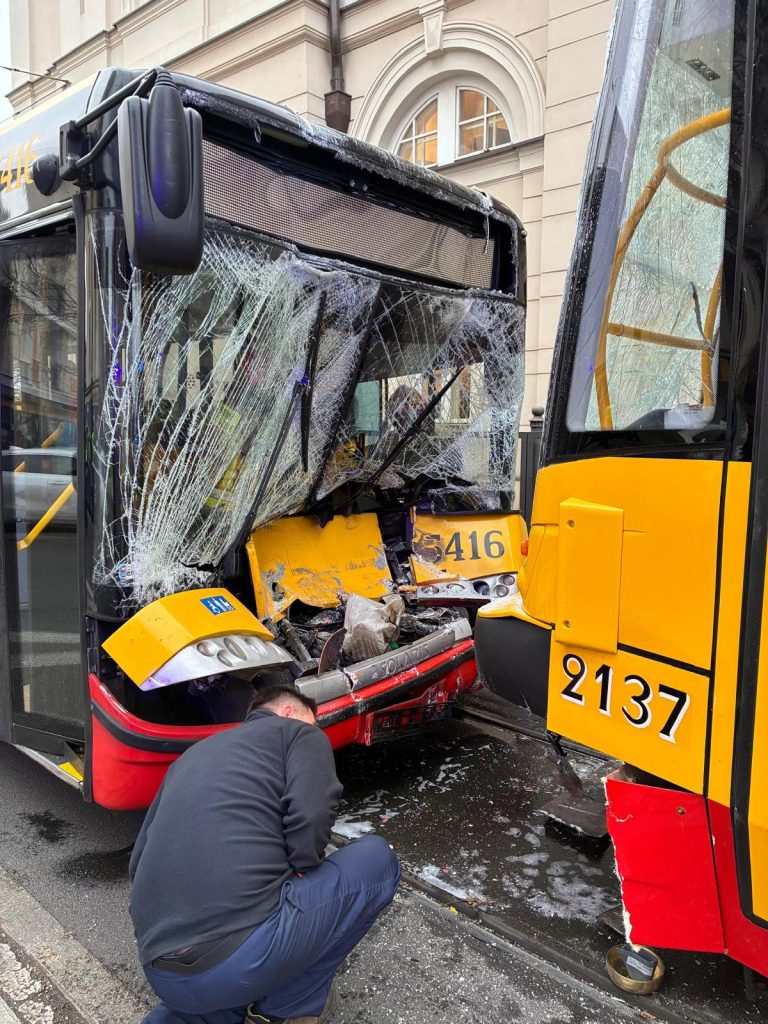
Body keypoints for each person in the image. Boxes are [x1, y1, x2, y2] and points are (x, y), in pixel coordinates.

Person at [129, 684, 401, 1024]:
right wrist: (301, 872)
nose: (314, 731)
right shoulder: (296, 734)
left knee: (225, 952)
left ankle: (194, 1014)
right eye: (312, 723)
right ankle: (285, 1009)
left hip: (163, 973)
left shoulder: (190, 758)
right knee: (377, 861)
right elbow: (309, 826)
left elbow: (137, 862)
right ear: (289, 712)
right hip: (241, 962)